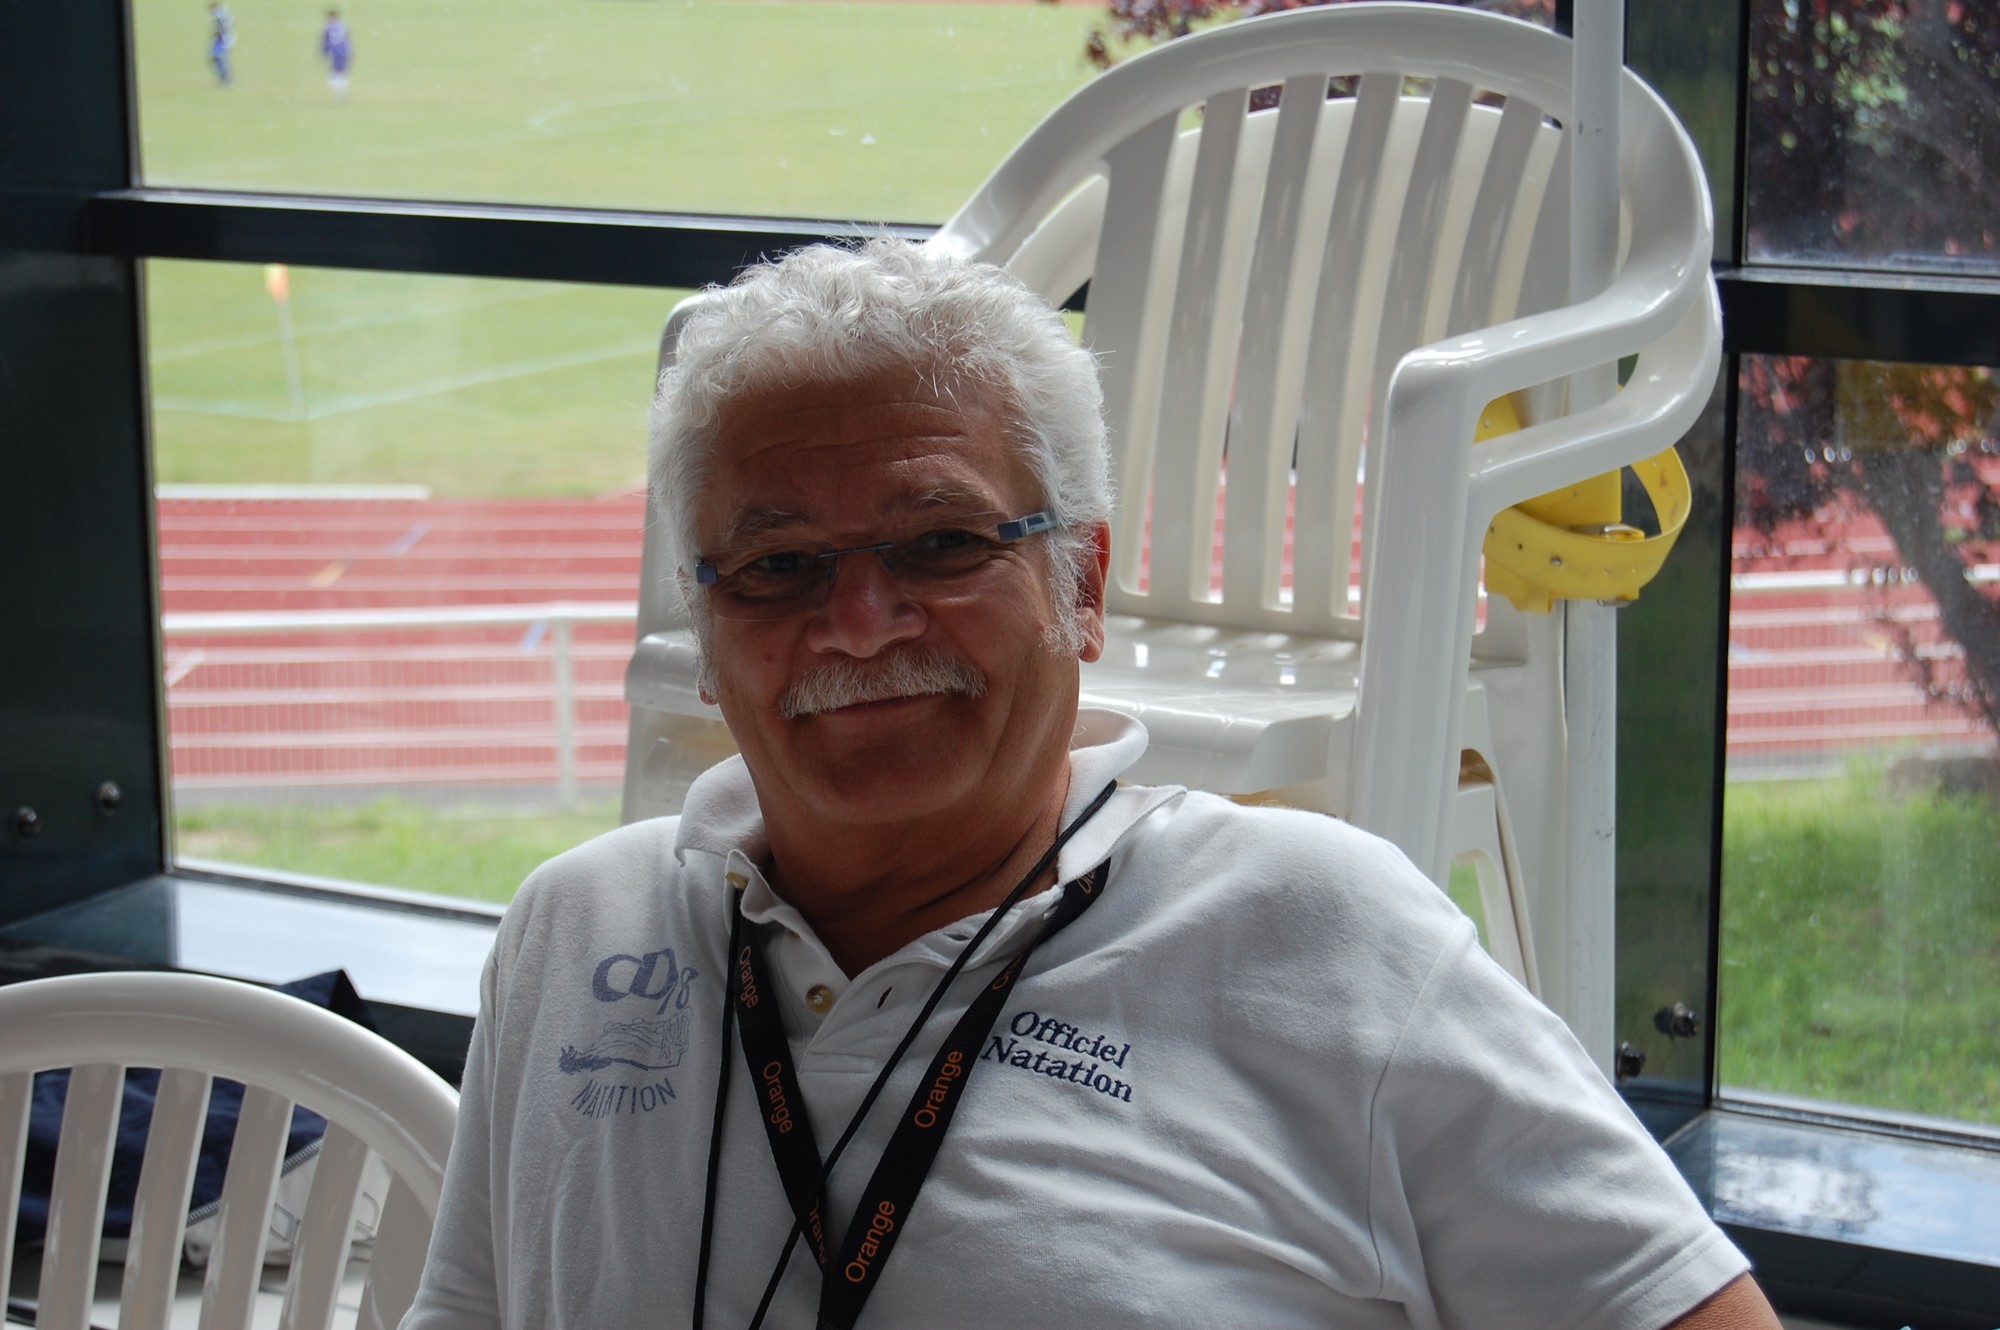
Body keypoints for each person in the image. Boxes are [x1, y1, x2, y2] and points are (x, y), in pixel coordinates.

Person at [404, 239, 1782, 1330]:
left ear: (1082, 585)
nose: (860, 623)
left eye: (942, 542)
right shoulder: (576, 929)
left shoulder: (1321, 935)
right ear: (704, 635)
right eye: (777, 566)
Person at [318, 9, 350, 103]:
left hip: (334, 53)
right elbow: (347, 40)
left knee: (332, 76)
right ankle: (342, 92)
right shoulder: (342, 25)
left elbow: (325, 41)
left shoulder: (327, 27)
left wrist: (324, 53)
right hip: (343, 52)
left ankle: (341, 93)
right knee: (341, 73)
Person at [208, 1, 234, 87]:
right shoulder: (223, 11)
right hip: (223, 39)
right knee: (218, 58)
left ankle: (226, 79)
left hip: (223, 40)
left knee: (218, 58)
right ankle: (226, 78)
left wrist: (217, 33)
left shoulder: (219, 14)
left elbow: (222, 26)